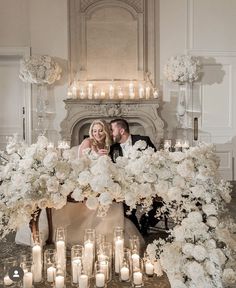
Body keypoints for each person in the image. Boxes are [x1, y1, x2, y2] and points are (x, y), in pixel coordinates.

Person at [16, 119, 143, 246]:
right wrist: (98, 157)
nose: (97, 134)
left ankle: (107, 232)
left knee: (110, 194)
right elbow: (82, 163)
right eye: (94, 131)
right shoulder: (88, 142)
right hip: (83, 176)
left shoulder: (107, 145)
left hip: (98, 179)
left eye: (100, 131)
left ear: (105, 132)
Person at [109, 118, 159, 235]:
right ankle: (137, 231)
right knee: (125, 207)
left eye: (112, 130)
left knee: (161, 201)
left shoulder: (143, 141)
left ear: (121, 131)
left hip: (145, 181)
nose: (110, 133)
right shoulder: (113, 148)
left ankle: (147, 221)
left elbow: (155, 160)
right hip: (126, 184)